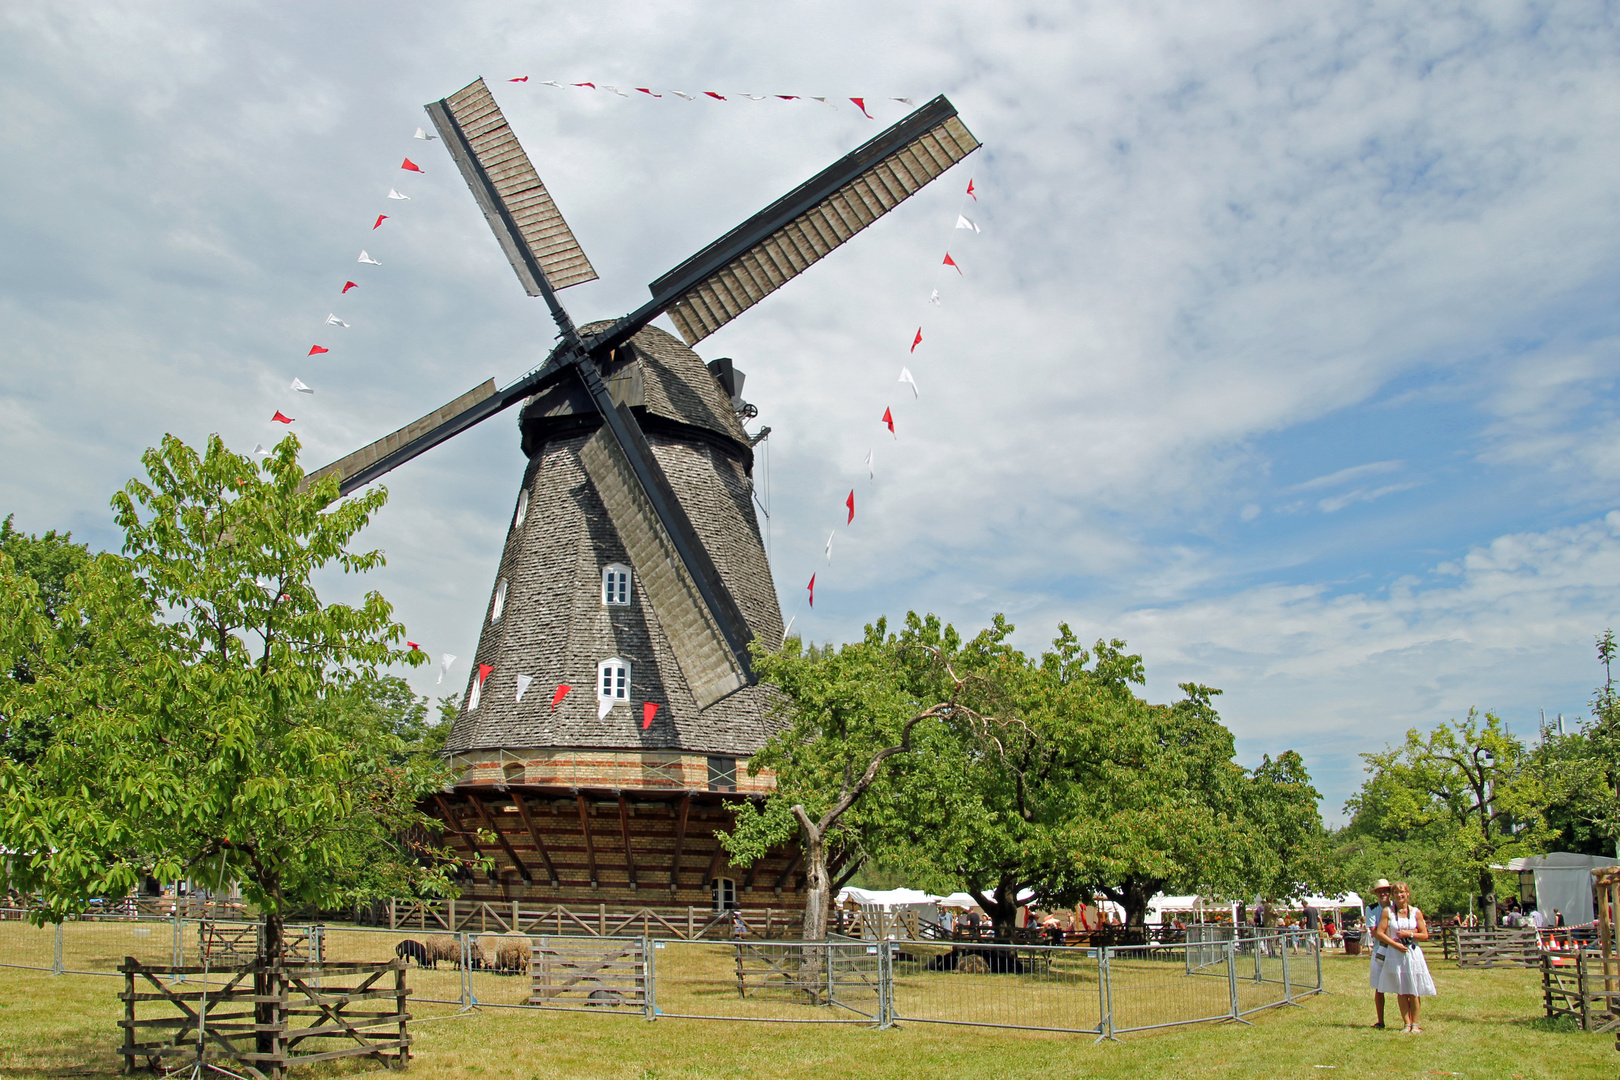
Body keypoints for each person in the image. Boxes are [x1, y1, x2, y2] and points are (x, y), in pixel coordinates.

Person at [1374, 881, 1437, 1033]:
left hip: (1412, 953)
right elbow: (1379, 933)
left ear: (1407, 894)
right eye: (1396, 893)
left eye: (1402, 892)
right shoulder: (1388, 912)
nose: (1399, 895)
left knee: (1413, 989)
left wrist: (1410, 934)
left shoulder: (1416, 912)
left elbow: (1425, 934)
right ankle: (1406, 1023)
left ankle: (1415, 1023)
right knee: (1401, 989)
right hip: (1395, 954)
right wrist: (1394, 945)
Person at [1366, 879, 1392, 1027]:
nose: (1383, 893)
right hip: (1380, 950)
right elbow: (1374, 931)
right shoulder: (1372, 909)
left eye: (1386, 890)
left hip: (1396, 949)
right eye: (1380, 891)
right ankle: (1380, 1020)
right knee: (1378, 987)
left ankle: (1408, 1022)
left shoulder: (1396, 908)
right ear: (1376, 893)